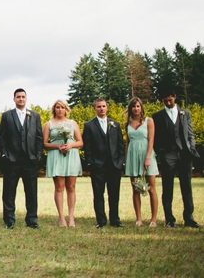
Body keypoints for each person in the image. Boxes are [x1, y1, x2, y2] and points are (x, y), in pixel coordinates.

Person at [152, 87, 201, 228]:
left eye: (170, 100)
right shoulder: (158, 116)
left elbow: (190, 133)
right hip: (168, 155)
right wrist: (161, 152)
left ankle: (189, 218)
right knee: (167, 188)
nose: (168, 103)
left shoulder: (185, 114)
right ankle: (169, 219)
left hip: (185, 155)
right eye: (165, 101)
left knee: (187, 187)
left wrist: (191, 148)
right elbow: (156, 137)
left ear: (175, 97)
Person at [0, 89, 43, 230]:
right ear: (14, 99)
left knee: (31, 192)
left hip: (30, 160)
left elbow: (39, 137)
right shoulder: (6, 116)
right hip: (12, 160)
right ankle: (9, 220)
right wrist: (5, 154)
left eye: (23, 97)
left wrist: (37, 155)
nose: (21, 99)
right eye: (18, 97)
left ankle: (32, 219)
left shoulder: (35, 116)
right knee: (9, 192)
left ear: (26, 98)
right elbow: (2, 137)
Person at [82, 98, 125, 229]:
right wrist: (90, 163)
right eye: (99, 107)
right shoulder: (89, 125)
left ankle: (115, 220)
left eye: (104, 106)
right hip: (98, 165)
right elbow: (87, 147)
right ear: (94, 109)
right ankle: (101, 220)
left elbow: (120, 145)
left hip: (114, 165)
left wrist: (121, 162)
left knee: (114, 194)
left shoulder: (115, 124)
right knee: (98, 194)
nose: (101, 109)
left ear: (107, 108)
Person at [43, 100, 82, 228]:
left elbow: (80, 142)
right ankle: (61, 217)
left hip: (71, 155)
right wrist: (58, 146)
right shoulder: (48, 124)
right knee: (59, 187)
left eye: (62, 107)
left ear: (66, 109)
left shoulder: (72, 123)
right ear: (54, 109)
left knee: (71, 187)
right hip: (56, 155)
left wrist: (70, 145)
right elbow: (45, 144)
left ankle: (71, 217)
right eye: (58, 107)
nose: (60, 110)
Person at [125, 97, 159, 227]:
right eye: (134, 106)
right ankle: (138, 219)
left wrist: (148, 157)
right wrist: (127, 159)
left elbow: (151, 140)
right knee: (135, 189)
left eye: (138, 106)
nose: (136, 109)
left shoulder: (149, 121)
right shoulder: (127, 123)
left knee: (151, 188)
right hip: (133, 156)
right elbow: (128, 143)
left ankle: (153, 219)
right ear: (131, 109)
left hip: (146, 155)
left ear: (141, 107)